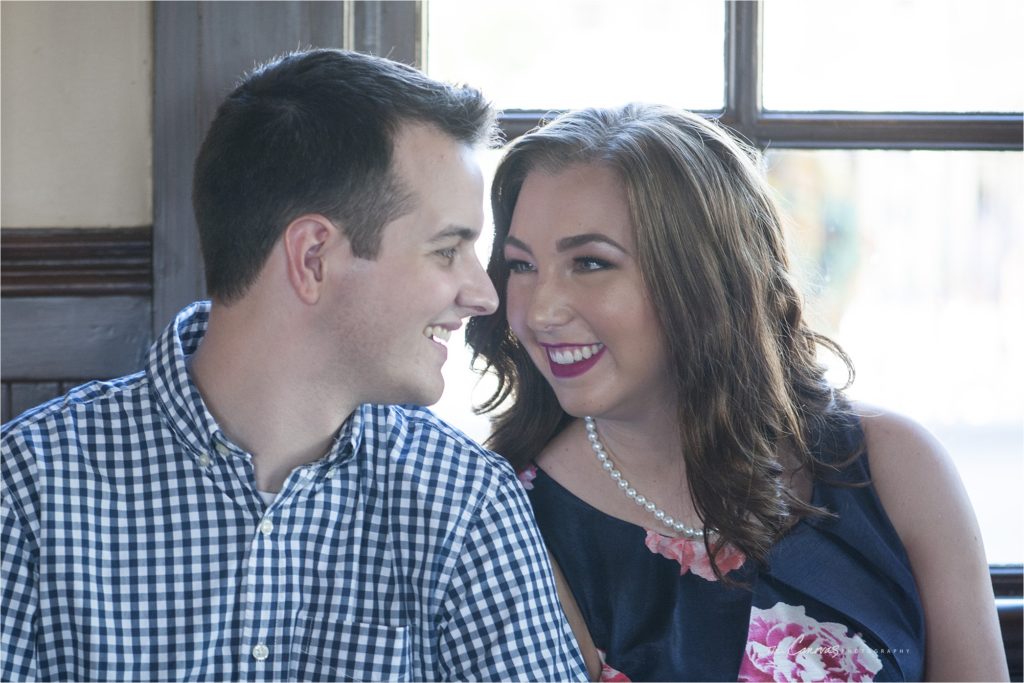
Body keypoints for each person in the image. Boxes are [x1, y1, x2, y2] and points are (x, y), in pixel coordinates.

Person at [0, 49, 587, 682]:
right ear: (312, 258)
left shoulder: (467, 504)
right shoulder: (29, 491)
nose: (484, 295)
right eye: (448, 251)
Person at [466, 103, 1008, 681]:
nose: (540, 311)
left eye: (591, 263)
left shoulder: (894, 465)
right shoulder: (506, 516)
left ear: (705, 276)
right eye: (520, 265)